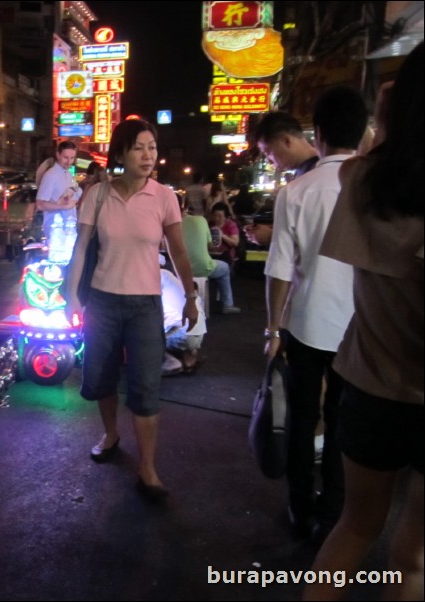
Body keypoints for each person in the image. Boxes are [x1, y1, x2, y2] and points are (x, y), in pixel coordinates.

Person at [303, 43, 424, 601]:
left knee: (354, 527)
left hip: (373, 389)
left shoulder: (364, 181)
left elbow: (360, 155)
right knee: (414, 556)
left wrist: (390, 121)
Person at [65, 119, 199, 502]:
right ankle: (110, 434)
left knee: (145, 385)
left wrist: (190, 296)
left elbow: (178, 251)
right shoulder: (98, 195)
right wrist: (72, 294)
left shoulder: (163, 197)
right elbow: (80, 249)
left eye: (152, 147)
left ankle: (148, 467)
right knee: (101, 377)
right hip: (102, 301)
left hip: (145, 306)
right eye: (139, 147)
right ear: (121, 153)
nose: (148, 155)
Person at [264, 86, 368, 543]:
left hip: (306, 326)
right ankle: (335, 514)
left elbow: (280, 270)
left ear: (318, 133)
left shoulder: (296, 192)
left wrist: (272, 328)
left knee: (304, 420)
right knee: (343, 421)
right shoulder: (372, 186)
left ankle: (300, 507)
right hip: (360, 329)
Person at [247, 112, 320, 246]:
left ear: (286, 141)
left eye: (268, 151)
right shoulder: (304, 172)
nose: (269, 160)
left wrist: (271, 237)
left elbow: (316, 232)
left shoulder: (317, 174)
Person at [180, 195, 241, 314]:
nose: (217, 218)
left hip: (186, 266)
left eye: (220, 216)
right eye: (215, 215)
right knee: (224, 268)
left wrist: (222, 235)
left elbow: (235, 243)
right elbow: (209, 246)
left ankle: (221, 299)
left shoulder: (230, 225)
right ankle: (228, 304)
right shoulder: (205, 222)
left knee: (224, 264)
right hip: (205, 264)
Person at [160, 267, 207, 375]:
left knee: (139, 332)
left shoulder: (156, 278)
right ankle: (189, 358)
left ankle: (170, 361)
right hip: (198, 334)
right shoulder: (169, 276)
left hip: (180, 333)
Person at [36, 140, 81, 234]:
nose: (69, 162)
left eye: (72, 158)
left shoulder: (68, 174)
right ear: (58, 155)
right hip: (55, 231)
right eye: (65, 157)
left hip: (69, 229)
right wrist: (62, 206)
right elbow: (40, 204)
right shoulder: (51, 175)